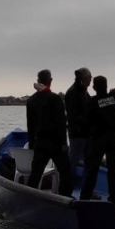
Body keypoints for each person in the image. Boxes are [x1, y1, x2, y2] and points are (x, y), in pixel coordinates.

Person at [25, 69, 72, 197]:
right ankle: (65, 197)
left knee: (36, 173)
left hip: (40, 143)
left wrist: (32, 143)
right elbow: (61, 123)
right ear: (50, 80)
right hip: (56, 143)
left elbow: (30, 125)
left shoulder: (31, 101)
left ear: (38, 81)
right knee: (65, 171)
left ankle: (29, 198)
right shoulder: (55, 98)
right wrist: (64, 143)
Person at [80, 75, 115, 206]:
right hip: (114, 141)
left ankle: (85, 197)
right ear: (106, 86)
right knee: (114, 171)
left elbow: (86, 122)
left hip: (98, 141)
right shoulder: (114, 98)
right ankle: (114, 199)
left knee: (92, 170)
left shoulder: (92, 103)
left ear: (94, 88)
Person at [64, 67, 92, 187]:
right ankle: (67, 187)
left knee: (89, 161)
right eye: (89, 78)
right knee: (73, 160)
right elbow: (72, 116)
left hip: (86, 133)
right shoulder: (73, 92)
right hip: (77, 134)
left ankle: (86, 187)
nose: (90, 80)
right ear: (83, 78)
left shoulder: (84, 91)